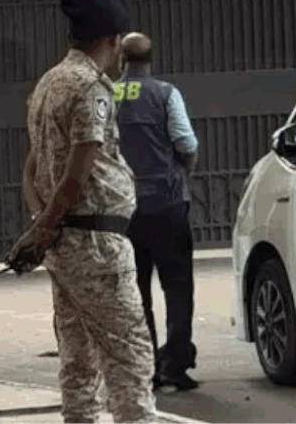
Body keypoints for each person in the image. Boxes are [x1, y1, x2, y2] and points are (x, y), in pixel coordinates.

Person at [11, 0, 156, 423]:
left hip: (65, 247)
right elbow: (79, 168)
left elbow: (32, 166)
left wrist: (40, 225)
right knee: (129, 358)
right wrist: (43, 229)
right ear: (113, 41)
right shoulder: (91, 86)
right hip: (97, 246)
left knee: (78, 364)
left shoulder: (49, 83)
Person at [114, 32, 200, 392]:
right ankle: (174, 365)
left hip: (123, 209)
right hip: (167, 202)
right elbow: (186, 143)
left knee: (136, 291)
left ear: (121, 59)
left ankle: (145, 365)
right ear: (150, 60)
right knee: (177, 286)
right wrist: (183, 173)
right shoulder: (165, 93)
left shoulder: (107, 95)